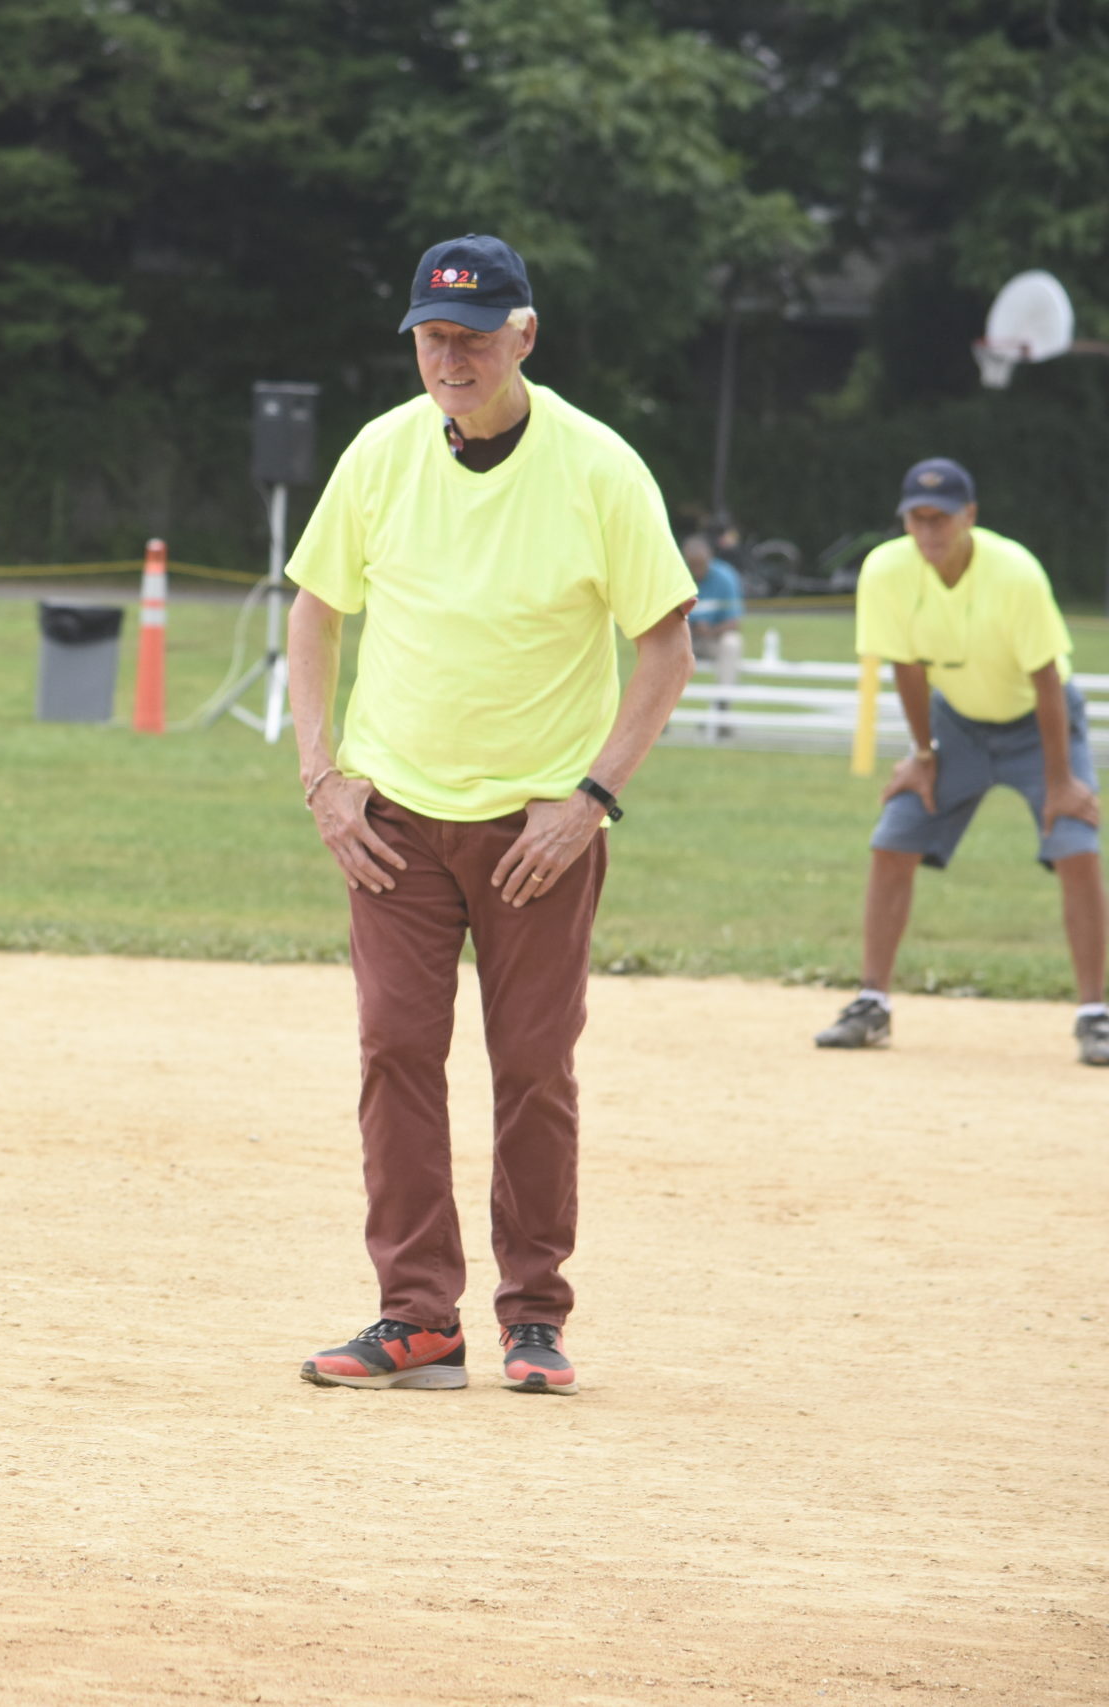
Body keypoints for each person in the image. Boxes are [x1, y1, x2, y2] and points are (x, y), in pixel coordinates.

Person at [284, 234, 696, 1398]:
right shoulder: (379, 454)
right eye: (431, 335)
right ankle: (417, 1319)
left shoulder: (597, 468)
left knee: (531, 1067)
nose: (449, 356)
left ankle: (532, 1318)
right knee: (396, 1052)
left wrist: (591, 799)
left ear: (525, 333)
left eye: (473, 335)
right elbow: (314, 612)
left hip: (537, 833)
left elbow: (665, 648)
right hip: (395, 821)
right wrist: (323, 774)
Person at [812, 458, 1107, 1065]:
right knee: (892, 840)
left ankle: (1094, 1015)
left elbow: (1047, 679)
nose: (927, 531)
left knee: (1075, 844)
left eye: (940, 517)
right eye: (916, 518)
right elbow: (907, 667)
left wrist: (1060, 781)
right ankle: (872, 1004)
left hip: (1041, 723)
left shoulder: (1014, 572)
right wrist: (923, 755)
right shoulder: (886, 570)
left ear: (969, 516)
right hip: (958, 726)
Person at [683, 531, 745, 736]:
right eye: (693, 565)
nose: (697, 571)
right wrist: (690, 629)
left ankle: (721, 711)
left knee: (732, 643)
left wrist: (710, 631)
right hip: (684, 640)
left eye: (701, 564)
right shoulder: (678, 577)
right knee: (659, 646)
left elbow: (735, 621)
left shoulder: (725, 577)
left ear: (710, 559)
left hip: (714, 639)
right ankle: (660, 715)